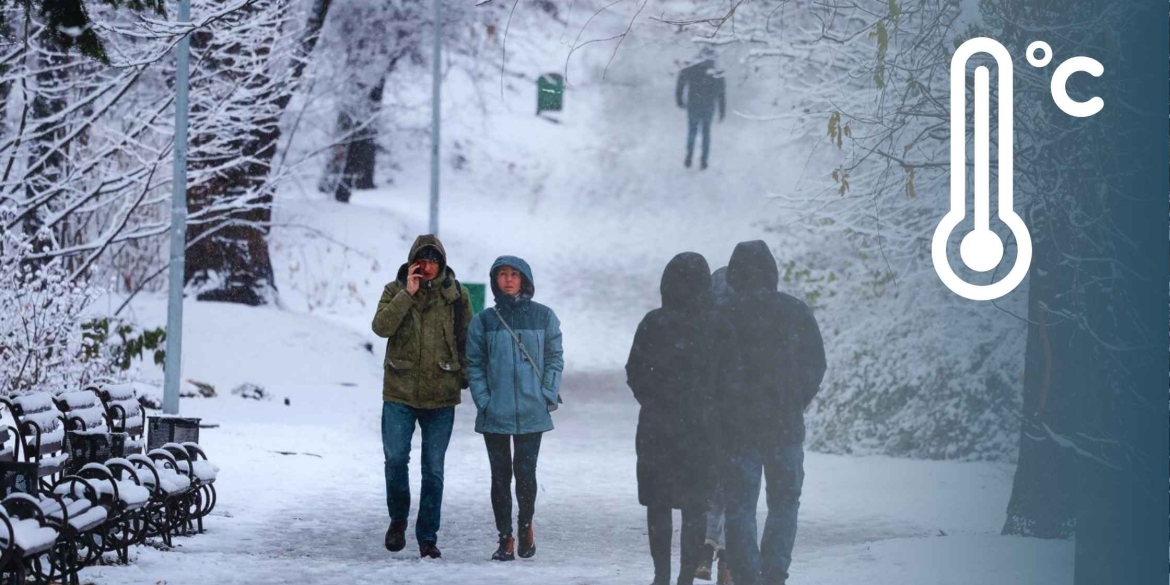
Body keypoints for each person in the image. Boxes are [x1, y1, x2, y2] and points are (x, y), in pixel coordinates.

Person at [626, 253, 741, 585]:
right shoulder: (719, 326)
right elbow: (731, 379)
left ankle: (661, 574)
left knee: (657, 505)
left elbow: (635, 371)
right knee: (695, 508)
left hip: (656, 429)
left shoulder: (653, 322)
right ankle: (684, 577)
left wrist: (654, 401)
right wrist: (711, 407)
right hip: (702, 430)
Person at [718, 241, 826, 585]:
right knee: (784, 501)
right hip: (785, 425)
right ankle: (775, 571)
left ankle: (747, 574)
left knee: (739, 505)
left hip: (738, 429)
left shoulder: (724, 316)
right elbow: (815, 365)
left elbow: (711, 371)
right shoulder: (795, 312)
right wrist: (796, 401)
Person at [371, 235, 472, 559]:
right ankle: (398, 520)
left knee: (433, 469)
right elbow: (381, 327)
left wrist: (467, 376)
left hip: (440, 396)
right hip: (399, 392)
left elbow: (467, 338)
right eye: (422, 260)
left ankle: (427, 536)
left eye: (433, 260)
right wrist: (407, 295)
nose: (428, 266)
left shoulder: (456, 296)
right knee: (396, 459)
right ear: (413, 262)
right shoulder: (394, 290)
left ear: (441, 263)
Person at [466, 256, 564, 562]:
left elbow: (554, 357)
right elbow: (474, 364)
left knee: (525, 473)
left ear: (525, 280)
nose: (508, 280)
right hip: (495, 412)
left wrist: (546, 392)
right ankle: (505, 537)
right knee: (499, 476)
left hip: (532, 411)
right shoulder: (483, 321)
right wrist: (484, 399)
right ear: (495, 280)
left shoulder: (544, 317)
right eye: (502, 275)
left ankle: (525, 526)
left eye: (514, 275)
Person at [695, 266, 735, 585]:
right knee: (734, 486)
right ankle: (725, 552)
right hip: (738, 416)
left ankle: (709, 546)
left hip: (707, 417)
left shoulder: (703, 324)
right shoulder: (746, 326)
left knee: (711, 485)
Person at [676, 47, 727, 170]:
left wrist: (680, 100)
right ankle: (704, 160)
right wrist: (722, 111)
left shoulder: (692, 69)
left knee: (692, 131)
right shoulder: (716, 72)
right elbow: (721, 94)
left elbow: (681, 81)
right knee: (706, 133)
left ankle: (689, 155)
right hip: (708, 107)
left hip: (693, 105)